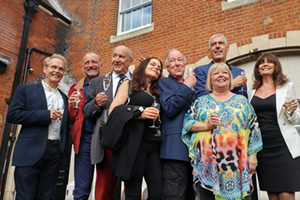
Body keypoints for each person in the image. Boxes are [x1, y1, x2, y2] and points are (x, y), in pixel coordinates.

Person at [182, 62, 263, 200]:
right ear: (210, 80)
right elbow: (187, 124)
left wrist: (253, 157)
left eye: (225, 72)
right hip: (208, 165)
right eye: (216, 73)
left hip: (238, 165)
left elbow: (254, 128)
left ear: (230, 78)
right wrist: (207, 126)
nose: (221, 75)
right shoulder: (200, 102)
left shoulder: (242, 101)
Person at [6, 54, 69, 200]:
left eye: (61, 69)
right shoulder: (26, 90)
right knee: (25, 197)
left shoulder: (64, 98)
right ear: (45, 69)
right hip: (29, 152)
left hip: (54, 153)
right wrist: (45, 115)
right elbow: (13, 115)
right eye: (53, 67)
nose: (57, 71)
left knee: (46, 197)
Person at [107, 57, 163, 199]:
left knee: (157, 192)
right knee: (133, 192)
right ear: (143, 66)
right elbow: (113, 111)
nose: (156, 67)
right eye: (152, 64)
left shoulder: (160, 89)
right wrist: (139, 113)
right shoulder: (130, 85)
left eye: (159, 67)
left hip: (155, 145)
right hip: (134, 145)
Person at [83, 45, 132, 200]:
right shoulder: (98, 82)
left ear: (130, 61)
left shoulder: (137, 80)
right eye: (114, 56)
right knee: (104, 190)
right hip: (107, 141)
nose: (116, 60)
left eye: (121, 57)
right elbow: (86, 111)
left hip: (131, 141)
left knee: (131, 188)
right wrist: (96, 103)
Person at [250, 53, 300, 200]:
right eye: (261, 63)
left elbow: (296, 118)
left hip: (283, 145)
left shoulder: (286, 87)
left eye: (269, 62)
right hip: (263, 148)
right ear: (258, 69)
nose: (265, 64)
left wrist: (292, 111)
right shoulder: (251, 91)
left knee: (286, 193)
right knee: (272, 194)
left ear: (275, 66)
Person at [157, 49, 196, 200]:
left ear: (185, 64)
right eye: (172, 61)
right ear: (167, 67)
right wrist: (187, 86)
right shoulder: (164, 83)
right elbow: (170, 108)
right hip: (175, 150)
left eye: (180, 60)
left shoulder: (194, 86)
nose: (177, 63)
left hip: (194, 151)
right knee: (174, 195)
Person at [68, 52, 102, 200]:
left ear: (101, 64)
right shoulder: (76, 87)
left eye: (94, 62)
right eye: (87, 62)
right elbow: (71, 118)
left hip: (105, 140)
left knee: (106, 187)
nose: (90, 65)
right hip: (85, 140)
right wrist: (71, 107)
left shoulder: (108, 83)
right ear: (82, 66)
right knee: (81, 189)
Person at [194, 33, 248, 98]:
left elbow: (244, 98)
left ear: (227, 48)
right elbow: (201, 97)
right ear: (209, 51)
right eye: (213, 44)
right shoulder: (201, 71)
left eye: (221, 43)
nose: (217, 46)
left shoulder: (239, 72)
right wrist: (231, 85)